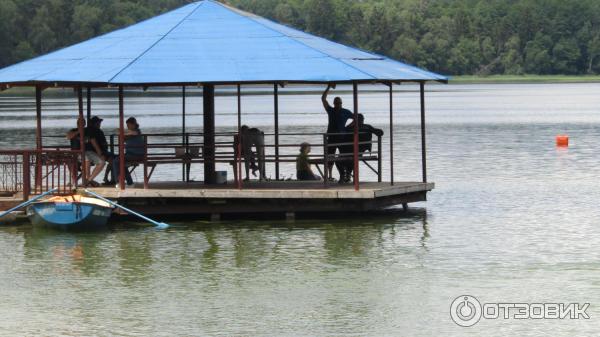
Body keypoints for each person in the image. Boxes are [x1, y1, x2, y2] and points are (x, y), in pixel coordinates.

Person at [336, 114, 384, 183]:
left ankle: (343, 176)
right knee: (350, 159)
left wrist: (351, 124)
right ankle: (347, 175)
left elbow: (342, 134)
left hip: (350, 151)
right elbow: (380, 132)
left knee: (339, 160)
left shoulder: (350, 128)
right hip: (360, 151)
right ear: (362, 120)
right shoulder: (367, 127)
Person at [321, 84, 354, 180]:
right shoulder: (331, 110)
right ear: (334, 103)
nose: (338, 105)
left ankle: (346, 175)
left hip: (341, 138)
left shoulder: (345, 111)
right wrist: (328, 87)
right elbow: (323, 99)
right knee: (329, 157)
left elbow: (356, 118)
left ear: (341, 103)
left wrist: (347, 127)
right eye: (336, 103)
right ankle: (329, 176)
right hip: (331, 137)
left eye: (339, 103)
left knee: (344, 156)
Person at [112, 117, 144, 187]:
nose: (128, 127)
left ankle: (118, 182)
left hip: (137, 155)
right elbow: (117, 132)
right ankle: (130, 183)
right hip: (130, 154)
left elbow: (132, 133)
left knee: (116, 161)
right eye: (127, 125)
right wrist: (120, 133)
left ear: (134, 124)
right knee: (121, 163)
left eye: (129, 125)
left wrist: (121, 131)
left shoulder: (137, 131)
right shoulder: (129, 134)